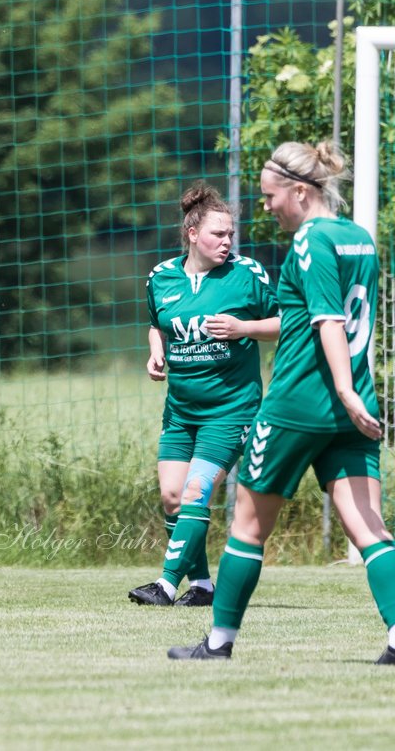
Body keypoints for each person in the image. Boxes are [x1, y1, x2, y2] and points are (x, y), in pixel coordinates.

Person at [169, 141, 395, 663]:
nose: (266, 207)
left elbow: (329, 322)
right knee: (369, 528)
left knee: (247, 526)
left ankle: (218, 643)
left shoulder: (312, 243)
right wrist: (353, 395)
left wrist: (339, 387)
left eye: (271, 196)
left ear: (300, 190)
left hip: (299, 404)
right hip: (352, 406)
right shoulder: (359, 237)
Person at [129, 184, 278, 607]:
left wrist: (244, 328)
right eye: (218, 234)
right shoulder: (162, 278)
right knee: (173, 497)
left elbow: (293, 321)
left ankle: (166, 584)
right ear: (192, 233)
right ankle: (204, 586)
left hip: (231, 411)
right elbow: (157, 323)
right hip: (180, 411)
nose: (227, 242)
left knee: (196, 493)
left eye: (230, 234)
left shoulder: (246, 274)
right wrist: (156, 352)